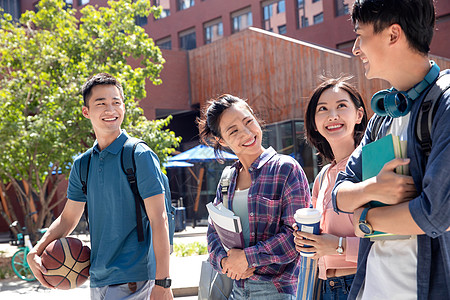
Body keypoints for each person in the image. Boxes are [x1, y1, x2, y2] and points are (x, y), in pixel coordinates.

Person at [331, 1, 450, 299]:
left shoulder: (445, 104)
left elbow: (435, 215)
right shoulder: (384, 115)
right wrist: (374, 188)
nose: (356, 48)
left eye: (361, 35)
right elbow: (338, 194)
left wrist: (363, 220)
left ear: (393, 34)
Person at [27, 73, 173, 300]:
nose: (110, 109)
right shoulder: (83, 164)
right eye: (101, 103)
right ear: (86, 111)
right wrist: (36, 251)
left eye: (116, 102)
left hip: (137, 280)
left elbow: (159, 218)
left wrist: (163, 283)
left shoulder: (138, 154)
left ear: (124, 107)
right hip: (97, 279)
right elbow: (68, 220)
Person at [198, 94, 311, 299]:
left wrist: (248, 259)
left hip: (277, 290)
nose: (247, 133)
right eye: (233, 131)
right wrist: (225, 262)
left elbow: (297, 237)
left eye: (248, 121)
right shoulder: (227, 179)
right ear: (221, 140)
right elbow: (213, 232)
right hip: (235, 290)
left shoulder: (285, 168)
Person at [293, 77, 368, 299]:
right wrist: (306, 240)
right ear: (315, 123)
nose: (332, 115)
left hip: (362, 282)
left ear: (359, 115)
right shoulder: (322, 177)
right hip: (326, 287)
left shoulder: (370, 165)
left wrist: (338, 246)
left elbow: (387, 239)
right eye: (323, 109)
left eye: (341, 106)